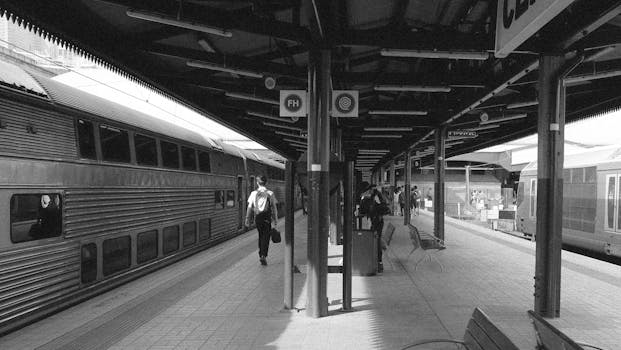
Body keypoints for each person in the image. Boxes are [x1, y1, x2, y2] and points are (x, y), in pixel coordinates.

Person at [244, 175, 279, 266]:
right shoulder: (270, 193)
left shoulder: (253, 193)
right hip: (267, 218)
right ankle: (263, 255)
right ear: (266, 183)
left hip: (258, 218)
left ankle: (261, 254)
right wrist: (275, 219)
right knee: (266, 237)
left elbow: (249, 207)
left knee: (261, 235)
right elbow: (274, 208)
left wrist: (247, 219)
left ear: (257, 183)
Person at [360, 184, 387, 273]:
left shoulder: (375, 197)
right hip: (376, 221)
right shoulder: (374, 196)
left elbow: (375, 208)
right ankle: (378, 263)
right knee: (376, 241)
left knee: (377, 241)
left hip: (377, 221)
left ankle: (379, 263)